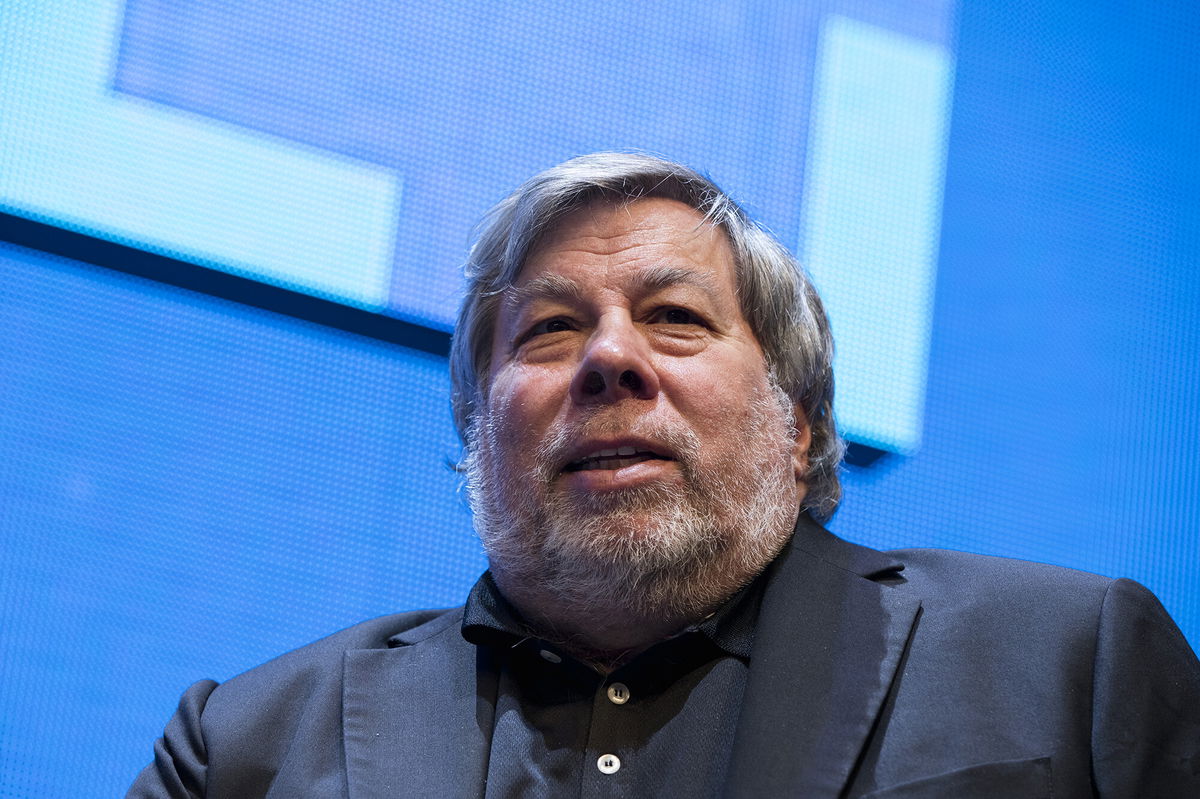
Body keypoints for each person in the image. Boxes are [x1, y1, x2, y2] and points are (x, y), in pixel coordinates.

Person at [129, 153, 1200, 798]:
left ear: (798, 423)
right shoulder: (245, 745)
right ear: (477, 428)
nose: (608, 358)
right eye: (547, 330)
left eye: (676, 318)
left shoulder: (1067, 661)